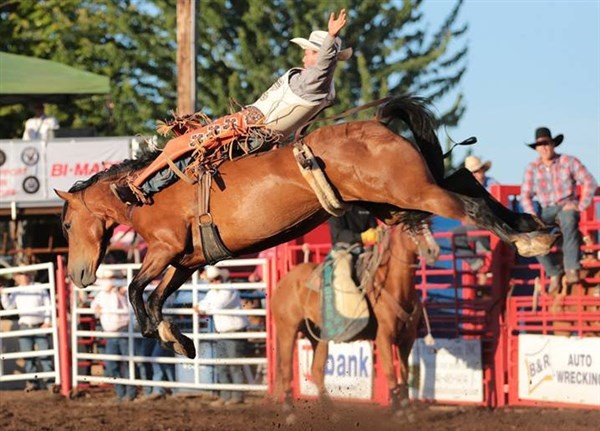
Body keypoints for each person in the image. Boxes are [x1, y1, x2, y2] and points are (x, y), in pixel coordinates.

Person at [111, 9, 352, 206]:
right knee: (191, 150)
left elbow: (323, 66)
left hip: (251, 128)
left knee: (179, 145)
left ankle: (139, 185)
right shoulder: (319, 85)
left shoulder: (315, 80)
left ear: (322, 55)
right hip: (252, 128)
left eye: (309, 53)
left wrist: (330, 38)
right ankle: (149, 185)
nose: (303, 58)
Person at [521, 127, 597, 293]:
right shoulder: (532, 168)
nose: (544, 147)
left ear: (553, 144)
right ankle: (553, 272)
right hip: (546, 210)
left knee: (568, 220)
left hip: (566, 206)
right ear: (536, 148)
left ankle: (572, 268)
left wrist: (580, 205)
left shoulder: (568, 161)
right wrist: (532, 215)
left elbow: (590, 182)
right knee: (533, 236)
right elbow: (525, 195)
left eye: (546, 143)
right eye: (540, 145)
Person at [193, 266, 248, 406]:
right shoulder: (215, 291)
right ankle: (227, 395)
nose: (215, 282)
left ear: (221, 278)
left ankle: (236, 395)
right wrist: (203, 307)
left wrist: (202, 308)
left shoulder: (228, 290)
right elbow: (206, 304)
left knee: (233, 365)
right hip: (224, 331)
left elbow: (215, 306)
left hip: (234, 331)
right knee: (222, 365)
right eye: (212, 280)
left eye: (216, 279)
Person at [0, 270, 53, 392]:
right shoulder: (16, 291)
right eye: (20, 274)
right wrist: (3, 294)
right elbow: (9, 307)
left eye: (24, 274)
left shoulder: (39, 287)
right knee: (28, 355)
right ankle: (32, 382)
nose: (22, 277)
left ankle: (50, 382)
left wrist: (47, 321)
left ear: (30, 275)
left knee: (45, 354)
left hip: (40, 325)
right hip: (25, 326)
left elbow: (47, 305)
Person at [90, 270, 137, 402]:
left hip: (123, 331)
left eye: (112, 277)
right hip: (111, 333)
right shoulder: (101, 294)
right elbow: (94, 306)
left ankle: (130, 393)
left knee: (128, 363)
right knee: (112, 365)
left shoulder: (123, 291)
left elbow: (130, 306)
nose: (109, 280)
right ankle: (121, 393)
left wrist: (118, 290)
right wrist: (96, 308)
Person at [453, 155, 498, 285]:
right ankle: (480, 266)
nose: (479, 174)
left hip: (493, 225)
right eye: (474, 172)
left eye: (480, 170)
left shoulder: (492, 184)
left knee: (477, 231)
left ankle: (484, 269)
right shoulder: (466, 190)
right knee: (455, 236)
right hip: (477, 226)